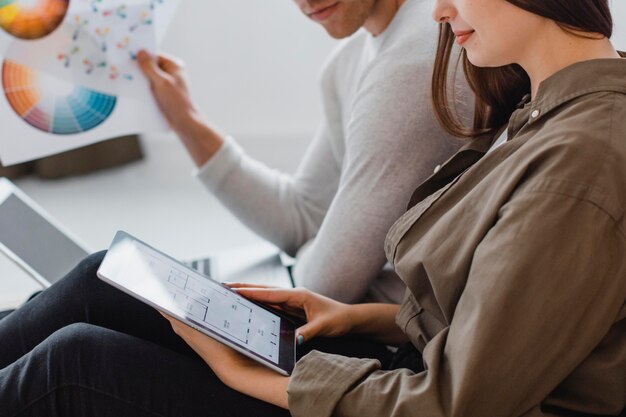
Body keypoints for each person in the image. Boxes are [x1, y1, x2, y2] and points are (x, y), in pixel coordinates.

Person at [0, 0, 624, 416]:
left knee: (73, 359)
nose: (438, 8)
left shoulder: (577, 160)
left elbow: (456, 401)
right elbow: (493, 315)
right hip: (401, 356)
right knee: (101, 277)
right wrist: (365, 317)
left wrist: (256, 378)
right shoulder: (543, 109)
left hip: (405, 390)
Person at [135, 0, 467, 304]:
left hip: (391, 346)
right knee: (100, 282)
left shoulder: (415, 58)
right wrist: (185, 120)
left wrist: (328, 248)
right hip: (340, 310)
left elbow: (328, 285)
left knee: (89, 334)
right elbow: (305, 216)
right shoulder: (347, 62)